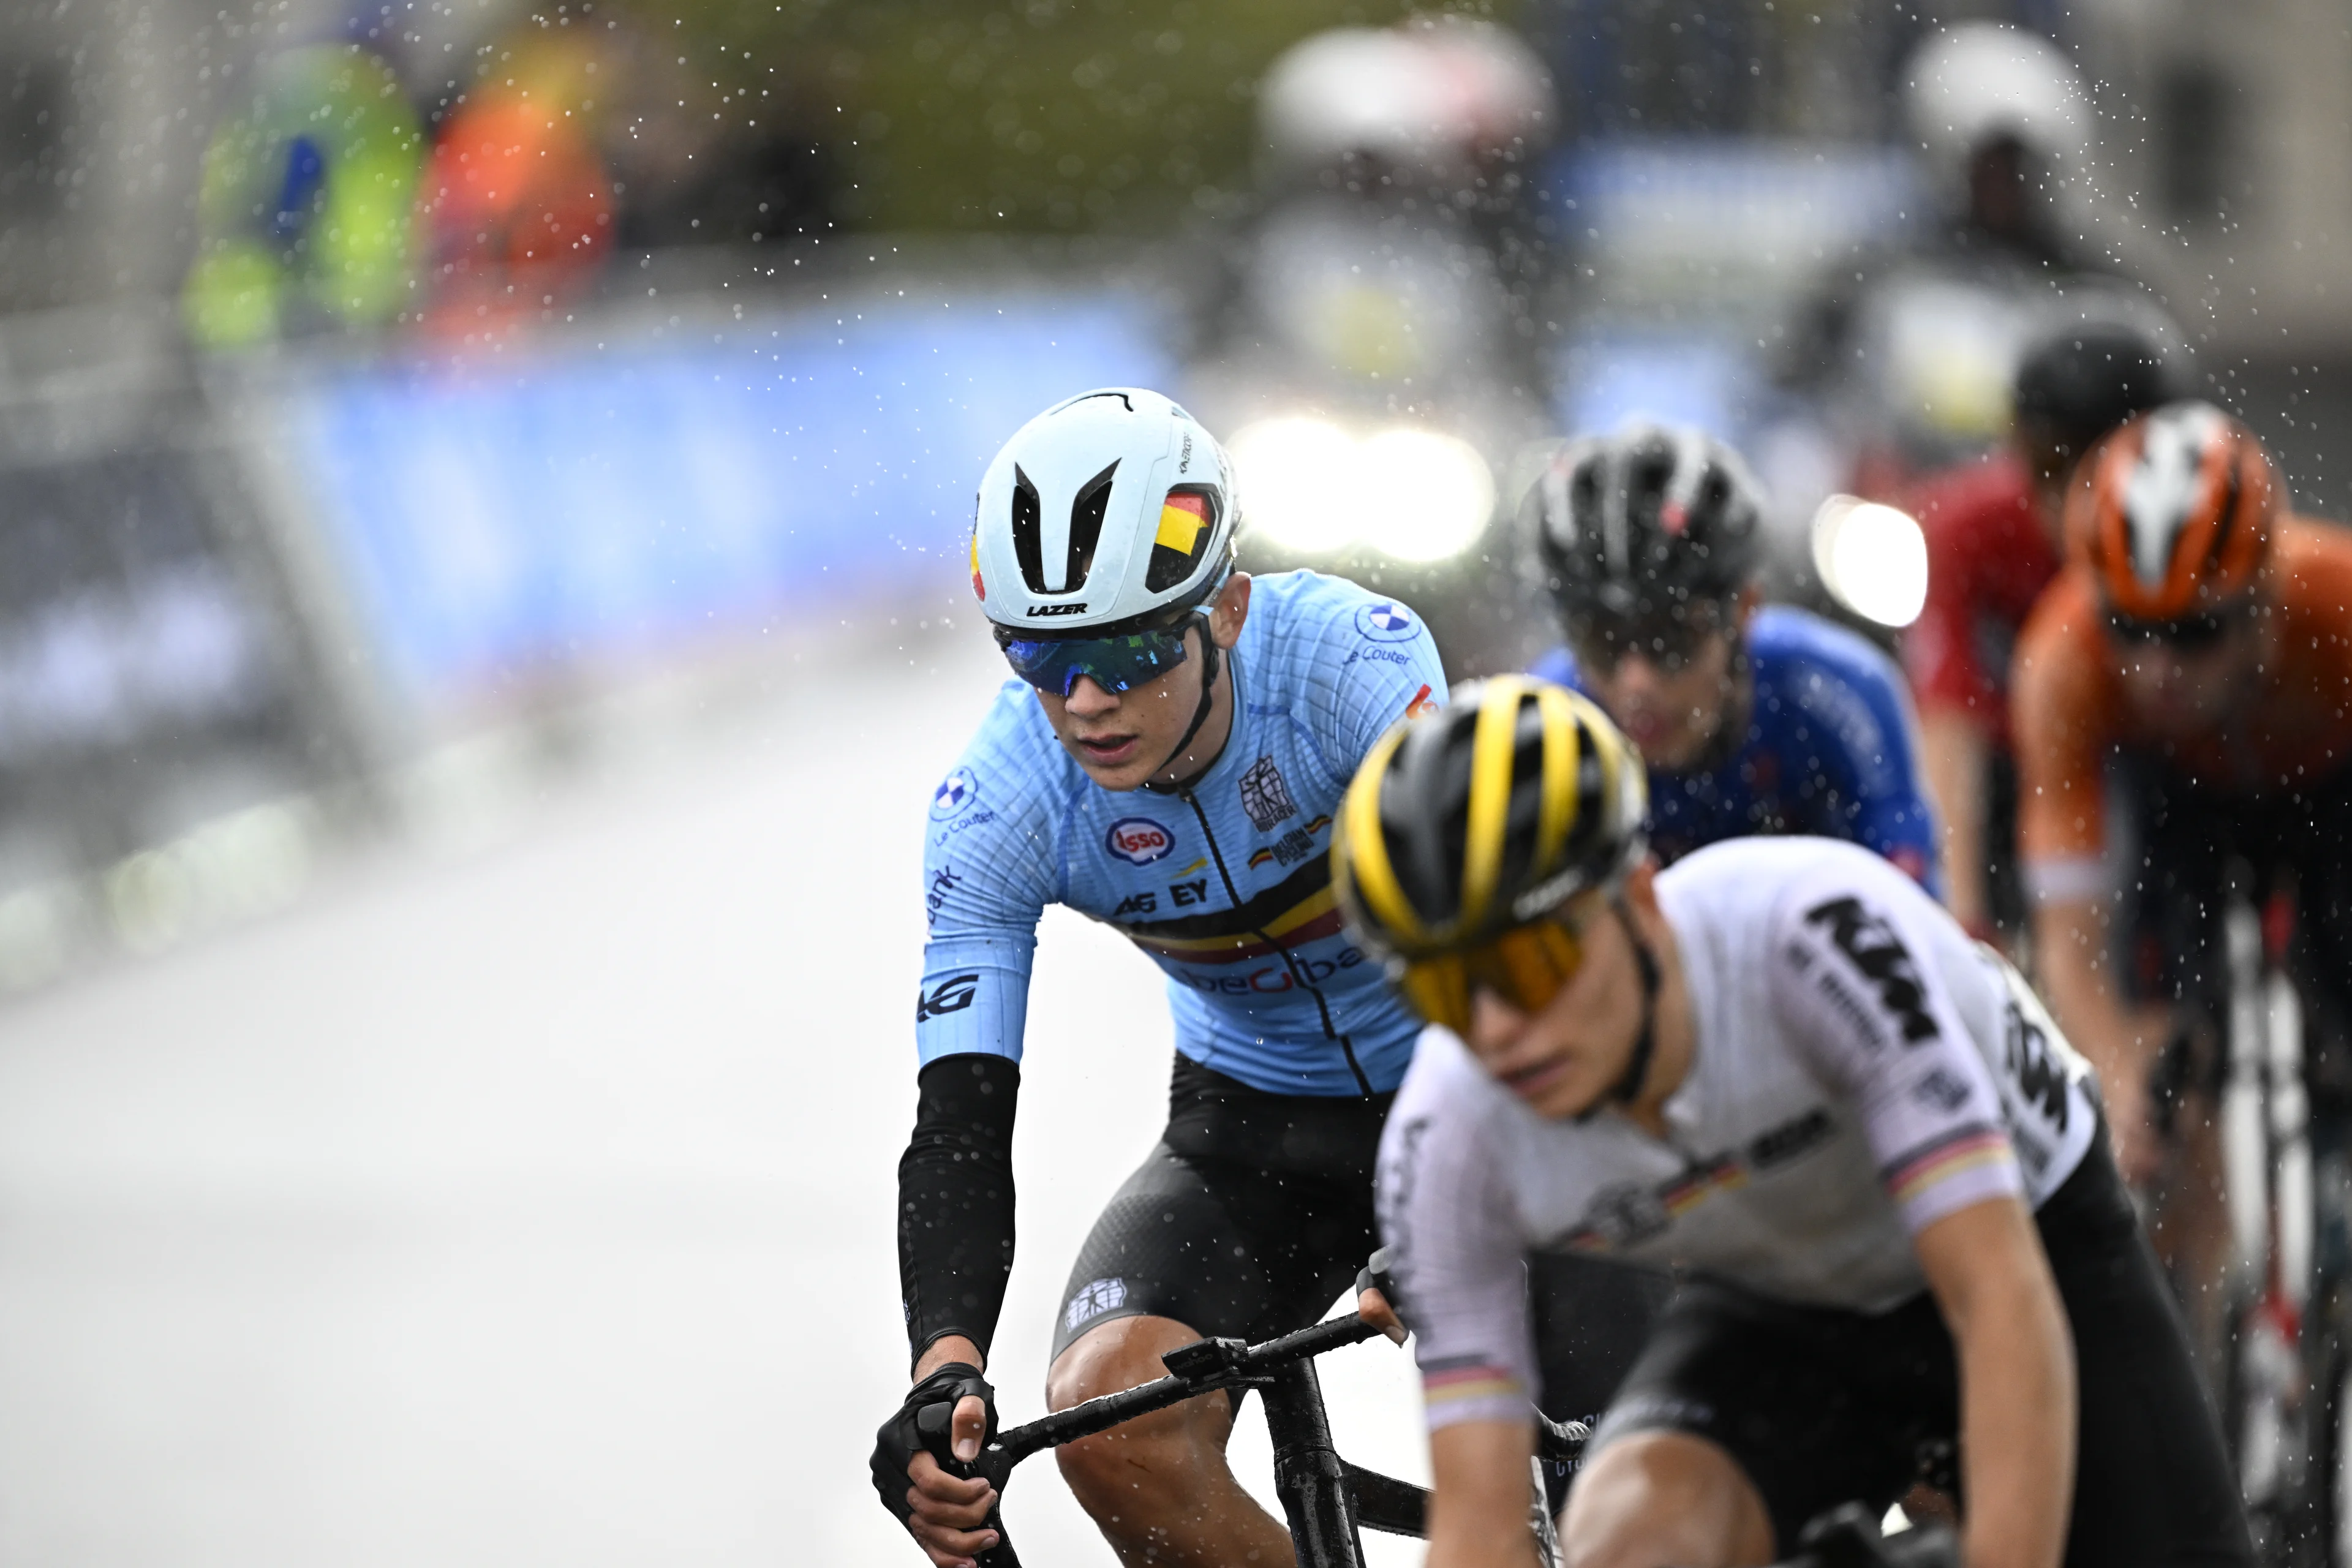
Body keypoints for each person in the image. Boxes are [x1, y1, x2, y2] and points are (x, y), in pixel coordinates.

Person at [1336, 679, 2253, 1568]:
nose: (1496, 1029)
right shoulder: (1445, 1138)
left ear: (1643, 905)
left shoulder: (1807, 939)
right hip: (1791, 1288)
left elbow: (1997, 1302)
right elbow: (1479, 1531)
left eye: (1533, 961)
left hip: (2028, 1238)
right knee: (1630, 1545)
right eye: (1445, 988)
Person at [870, 387, 1447, 1568]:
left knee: (1623, 1465)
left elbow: (1490, 958)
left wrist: (1470, 1187)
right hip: (1256, 1126)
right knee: (1111, 1423)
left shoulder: (1348, 667)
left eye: (1129, 650)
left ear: (1225, 608)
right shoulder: (1002, 804)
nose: (1085, 702)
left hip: (1473, 1081)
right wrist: (945, 1372)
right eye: (1041, 656)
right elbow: (962, 1128)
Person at [2011, 403, 2352, 1213]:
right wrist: (2123, 1072)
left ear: (2263, 599)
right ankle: (2195, 1306)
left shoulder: (2337, 603)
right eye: (2131, 628)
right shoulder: (2062, 661)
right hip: (2175, 797)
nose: (2158, 670)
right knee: (2156, 1059)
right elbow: (2070, 933)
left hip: (2334, 785)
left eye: (2195, 633)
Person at [1527, 423, 1942, 890]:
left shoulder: (1837, 690)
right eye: (1600, 641)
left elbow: (1914, 920)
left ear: (1744, 610)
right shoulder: (1546, 727)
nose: (1636, 682)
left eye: (1670, 639)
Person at [1903, 321, 2177, 939]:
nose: (2066, 499)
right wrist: (1962, 924)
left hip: (2147, 752)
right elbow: (1950, 732)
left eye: (2094, 468)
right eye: (2045, 464)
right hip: (2014, 768)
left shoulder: (2194, 526)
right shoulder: (1963, 529)